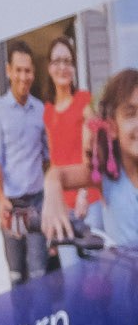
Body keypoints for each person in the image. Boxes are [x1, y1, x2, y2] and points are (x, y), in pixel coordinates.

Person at [43, 68, 138, 249]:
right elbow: (57, 174)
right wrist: (53, 194)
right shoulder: (108, 176)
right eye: (130, 114)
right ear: (112, 127)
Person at [0, 40, 55, 283]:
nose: (23, 76)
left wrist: (49, 197)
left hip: (36, 204)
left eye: (28, 71)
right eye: (18, 70)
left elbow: (48, 158)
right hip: (12, 207)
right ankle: (22, 321)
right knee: (17, 276)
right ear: (8, 71)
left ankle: (42, 321)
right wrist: (0, 197)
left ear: (33, 74)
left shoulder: (41, 110)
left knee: (39, 273)